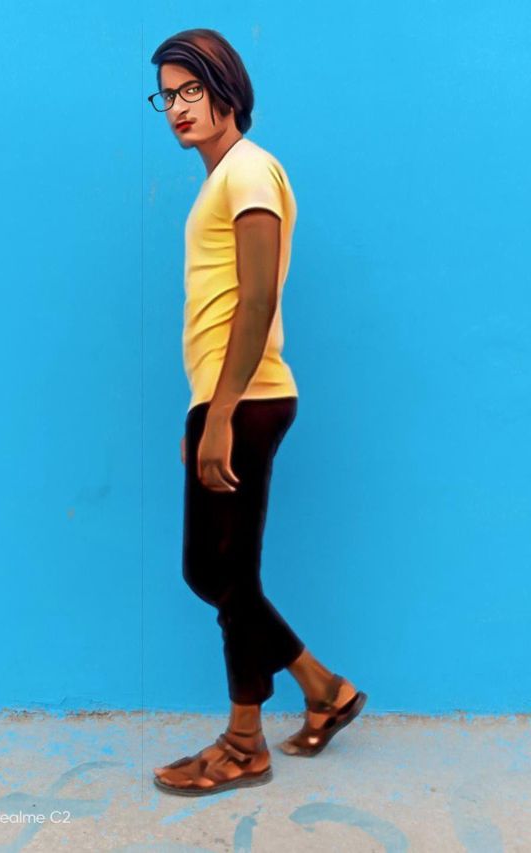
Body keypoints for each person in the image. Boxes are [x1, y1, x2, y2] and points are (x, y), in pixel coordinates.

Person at [147, 28, 367, 796]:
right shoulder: (222, 179)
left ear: (226, 90)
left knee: (226, 573)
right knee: (212, 571)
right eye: (166, 96)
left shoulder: (249, 170)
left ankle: (245, 743)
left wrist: (221, 414)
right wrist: (202, 410)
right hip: (228, 395)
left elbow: (260, 295)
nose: (178, 107)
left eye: (191, 90)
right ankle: (323, 688)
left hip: (248, 397)